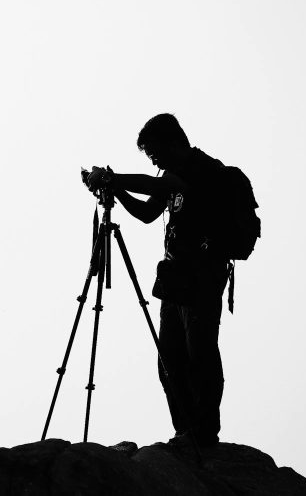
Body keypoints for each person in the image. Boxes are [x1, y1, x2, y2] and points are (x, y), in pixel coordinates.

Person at [85, 113, 230, 447]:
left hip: (203, 276)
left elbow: (158, 187)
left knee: (200, 353)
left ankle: (205, 432)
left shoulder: (199, 169)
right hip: (176, 276)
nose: (153, 161)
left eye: (154, 152)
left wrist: (112, 177)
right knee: (170, 360)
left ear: (172, 143)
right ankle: (186, 430)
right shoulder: (170, 173)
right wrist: (114, 189)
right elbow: (148, 213)